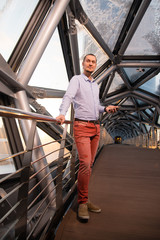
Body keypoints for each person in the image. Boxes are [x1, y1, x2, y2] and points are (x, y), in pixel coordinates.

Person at [56, 54, 118, 220]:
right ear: (83, 63)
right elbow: (68, 96)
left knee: (89, 165)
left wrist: (105, 109)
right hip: (82, 126)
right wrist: (62, 114)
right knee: (84, 163)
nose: (91, 64)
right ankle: (82, 203)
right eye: (88, 61)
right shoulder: (77, 79)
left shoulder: (95, 85)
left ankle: (85, 198)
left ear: (96, 65)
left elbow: (95, 106)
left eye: (93, 62)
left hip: (96, 127)